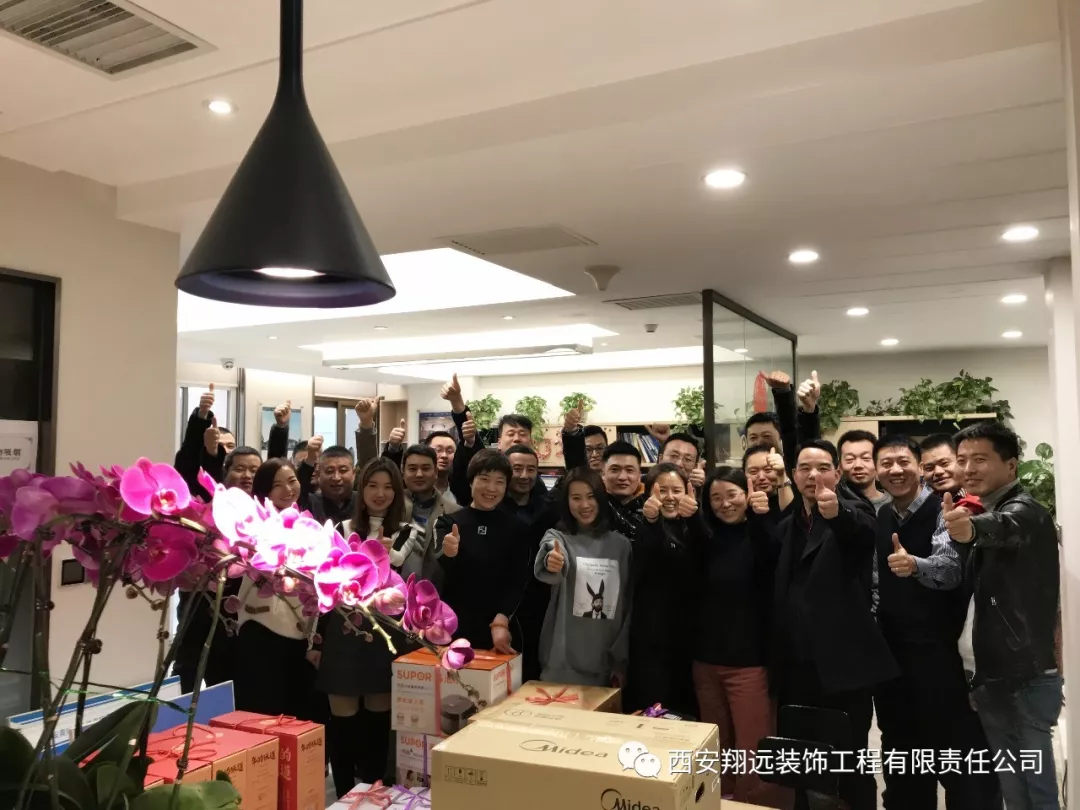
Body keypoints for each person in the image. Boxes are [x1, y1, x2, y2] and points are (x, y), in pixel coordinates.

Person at [770, 440, 897, 810]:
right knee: (803, 759)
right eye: (805, 468)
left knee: (849, 760)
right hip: (797, 664)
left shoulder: (855, 510)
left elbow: (861, 533)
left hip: (843, 666)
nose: (814, 475)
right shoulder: (790, 523)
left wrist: (837, 513)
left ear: (837, 473)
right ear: (793, 476)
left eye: (823, 467)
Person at [872, 435, 993, 809]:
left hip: (942, 657)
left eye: (904, 462)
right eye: (886, 463)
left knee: (958, 757)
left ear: (918, 468)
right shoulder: (882, 515)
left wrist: (914, 566)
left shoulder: (946, 511)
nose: (895, 470)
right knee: (902, 755)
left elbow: (949, 570)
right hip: (894, 660)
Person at [945, 422, 1062, 810]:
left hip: (1023, 674)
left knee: (1037, 790)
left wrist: (969, 529)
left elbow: (1004, 528)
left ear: (1011, 465)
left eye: (980, 459)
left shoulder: (1025, 511)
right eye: (962, 460)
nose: (968, 469)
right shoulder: (984, 506)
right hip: (990, 673)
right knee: (1014, 786)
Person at [315, 458, 409, 797]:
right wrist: (315, 641)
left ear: (397, 492)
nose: (380, 493)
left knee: (377, 723)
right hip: (343, 633)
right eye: (372, 485)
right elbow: (325, 582)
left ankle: (372, 791)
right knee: (342, 721)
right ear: (361, 489)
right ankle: (343, 795)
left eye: (388, 487)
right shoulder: (341, 530)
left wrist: (386, 556)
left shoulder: (409, 532)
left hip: (385, 635)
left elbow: (406, 574)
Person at [693, 467, 782, 805]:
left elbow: (770, 555)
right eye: (716, 497)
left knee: (753, 749)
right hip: (705, 661)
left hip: (749, 663)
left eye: (732, 494)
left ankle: (755, 804)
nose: (725, 503)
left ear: (746, 495)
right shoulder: (705, 537)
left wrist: (760, 516)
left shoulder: (762, 533)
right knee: (716, 746)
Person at [233, 459, 317, 719]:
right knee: (262, 713)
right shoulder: (254, 526)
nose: (287, 490)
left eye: (292, 481)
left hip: (299, 629)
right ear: (264, 491)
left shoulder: (307, 523)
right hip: (261, 628)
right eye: (277, 485)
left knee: (296, 715)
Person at [533, 468, 632, 686]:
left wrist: (620, 662)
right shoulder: (558, 537)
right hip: (562, 662)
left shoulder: (622, 546)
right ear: (566, 502)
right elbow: (552, 553)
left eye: (590, 497)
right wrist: (553, 560)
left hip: (607, 664)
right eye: (576, 498)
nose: (584, 505)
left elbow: (626, 605)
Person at [435, 450, 532, 654]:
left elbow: (518, 580)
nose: (491, 488)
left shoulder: (518, 528)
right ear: (471, 482)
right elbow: (443, 565)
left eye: (499, 482)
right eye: (484, 479)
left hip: (500, 631)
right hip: (453, 627)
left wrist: (502, 619)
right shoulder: (448, 523)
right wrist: (449, 552)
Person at [626, 462, 700, 715]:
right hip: (652, 638)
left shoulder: (695, 527)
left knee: (687, 709)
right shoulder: (641, 527)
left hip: (691, 638)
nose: (669, 497)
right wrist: (651, 521)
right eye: (662, 491)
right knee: (653, 707)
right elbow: (646, 559)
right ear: (648, 494)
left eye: (676, 490)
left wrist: (696, 518)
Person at [299, 444, 356, 530]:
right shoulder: (310, 502)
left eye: (343, 470)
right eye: (329, 471)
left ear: (354, 474)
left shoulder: (363, 502)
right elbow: (299, 487)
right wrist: (309, 460)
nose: (336, 478)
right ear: (318, 474)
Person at [600, 441, 649, 541]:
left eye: (629, 470)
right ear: (603, 473)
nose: (622, 477)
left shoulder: (650, 507)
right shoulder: (593, 505)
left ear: (639, 475)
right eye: (615, 469)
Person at [837, 430, 891, 511]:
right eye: (850, 459)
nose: (858, 465)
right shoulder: (835, 505)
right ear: (840, 466)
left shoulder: (896, 503)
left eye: (866, 458)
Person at [742, 443, 795, 520]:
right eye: (753, 472)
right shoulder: (740, 502)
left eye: (768, 470)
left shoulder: (796, 494)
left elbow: (791, 520)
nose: (761, 477)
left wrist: (781, 475)